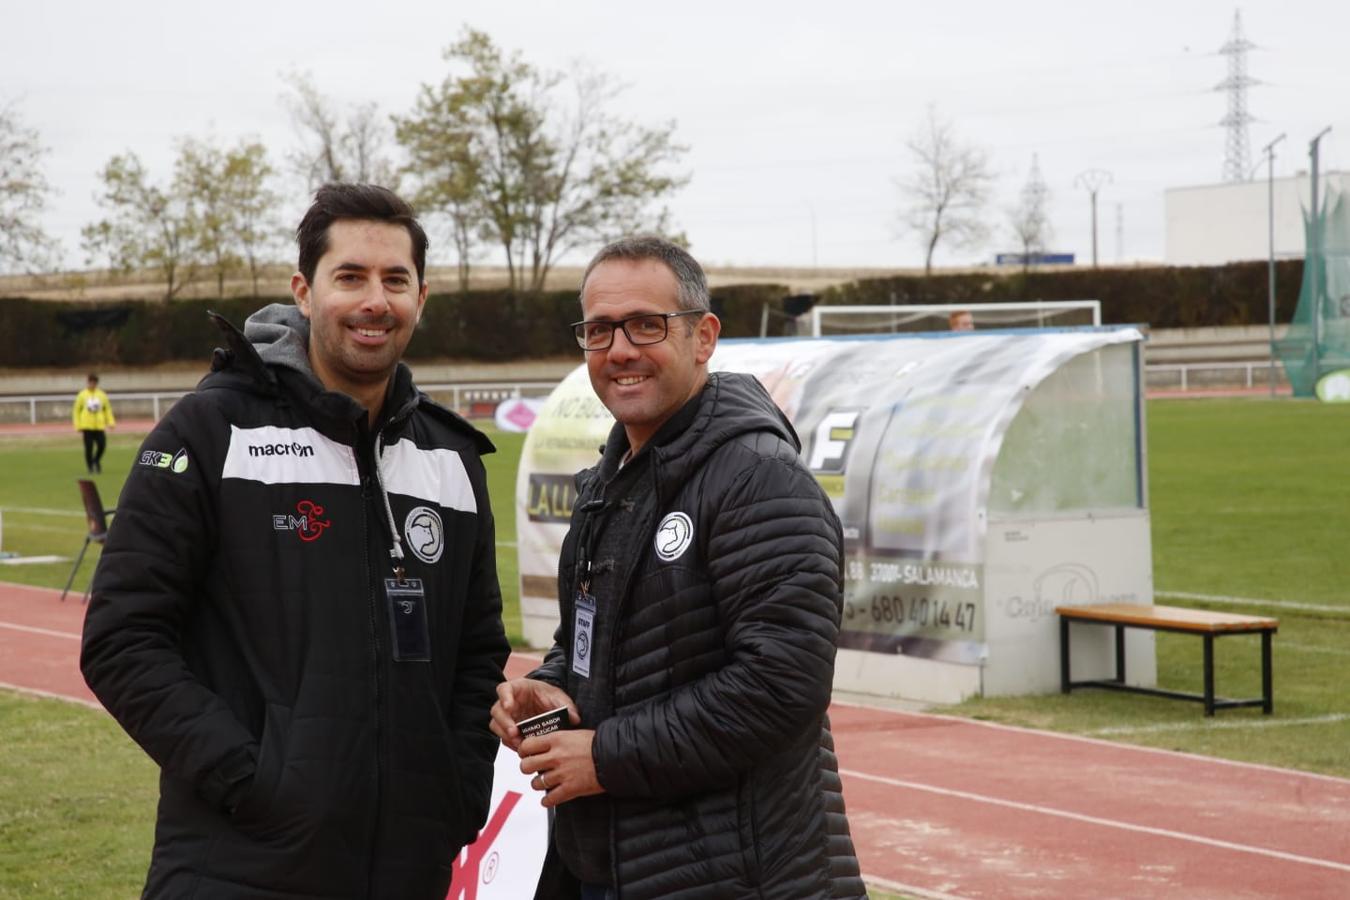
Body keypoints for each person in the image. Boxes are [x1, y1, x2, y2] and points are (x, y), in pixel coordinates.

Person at [81, 183, 510, 899]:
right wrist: (252, 782)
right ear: (304, 291)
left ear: (422, 298)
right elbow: (122, 639)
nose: (376, 300)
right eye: (350, 277)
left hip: (408, 866)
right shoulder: (211, 432)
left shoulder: (452, 458)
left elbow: (478, 648)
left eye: (395, 280)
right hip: (239, 861)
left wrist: (455, 789)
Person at [490, 236, 865, 899]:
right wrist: (548, 689)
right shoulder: (611, 482)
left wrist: (605, 758)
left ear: (704, 336)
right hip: (609, 864)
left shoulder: (760, 481)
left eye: (645, 325)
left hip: (735, 877)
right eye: (600, 330)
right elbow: (597, 647)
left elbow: (782, 685)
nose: (620, 350)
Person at [72, 373, 115, 473]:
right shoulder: (82, 395)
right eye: (90, 382)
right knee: (89, 448)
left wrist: (111, 421)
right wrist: (77, 425)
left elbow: (107, 409)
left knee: (102, 445)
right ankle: (90, 467)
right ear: (88, 383)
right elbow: (76, 410)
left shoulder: (102, 395)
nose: (92, 384)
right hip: (87, 426)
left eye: (94, 383)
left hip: (99, 425)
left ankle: (96, 460)